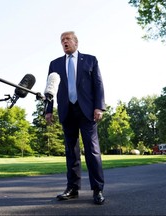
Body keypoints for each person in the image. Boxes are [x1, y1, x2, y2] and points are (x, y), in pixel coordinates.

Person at [45, 31, 106, 205]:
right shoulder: (54, 64)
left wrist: (99, 106)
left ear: (76, 42)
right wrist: (48, 110)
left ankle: (97, 190)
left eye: (67, 39)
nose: (64, 42)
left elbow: (98, 84)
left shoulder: (90, 60)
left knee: (92, 151)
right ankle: (72, 189)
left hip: (87, 111)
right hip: (66, 110)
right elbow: (50, 88)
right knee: (71, 152)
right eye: (62, 40)